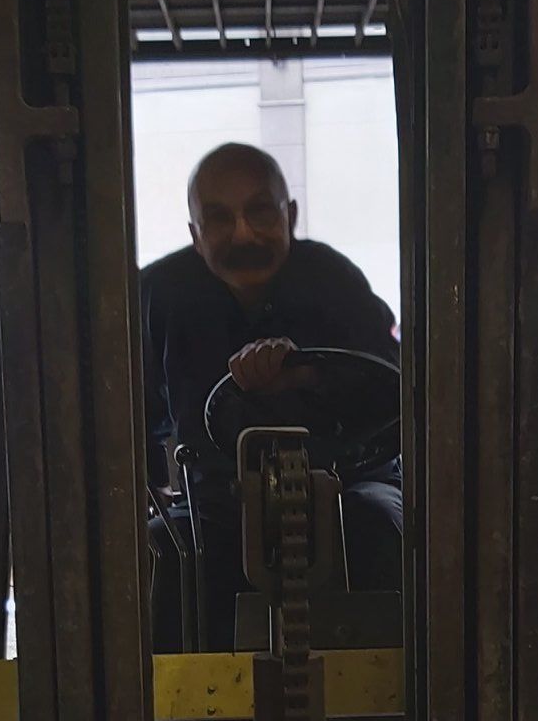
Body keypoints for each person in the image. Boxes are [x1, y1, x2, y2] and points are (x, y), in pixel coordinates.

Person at [142, 142, 402, 652]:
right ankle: (180, 715)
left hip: (351, 482)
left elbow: (393, 389)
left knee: (383, 532)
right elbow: (123, 411)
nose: (242, 233)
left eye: (259, 211)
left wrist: (307, 377)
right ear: (196, 235)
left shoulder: (336, 282)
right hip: (214, 497)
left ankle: (401, 701)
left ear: (291, 215)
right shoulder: (158, 296)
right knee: (159, 559)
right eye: (218, 219)